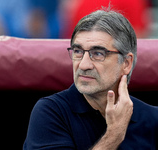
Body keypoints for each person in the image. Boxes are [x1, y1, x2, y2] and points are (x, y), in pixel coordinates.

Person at [23, 7, 158, 150]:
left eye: (98, 53)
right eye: (78, 51)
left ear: (126, 63)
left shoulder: (153, 119)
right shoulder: (50, 112)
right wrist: (114, 135)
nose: (83, 64)